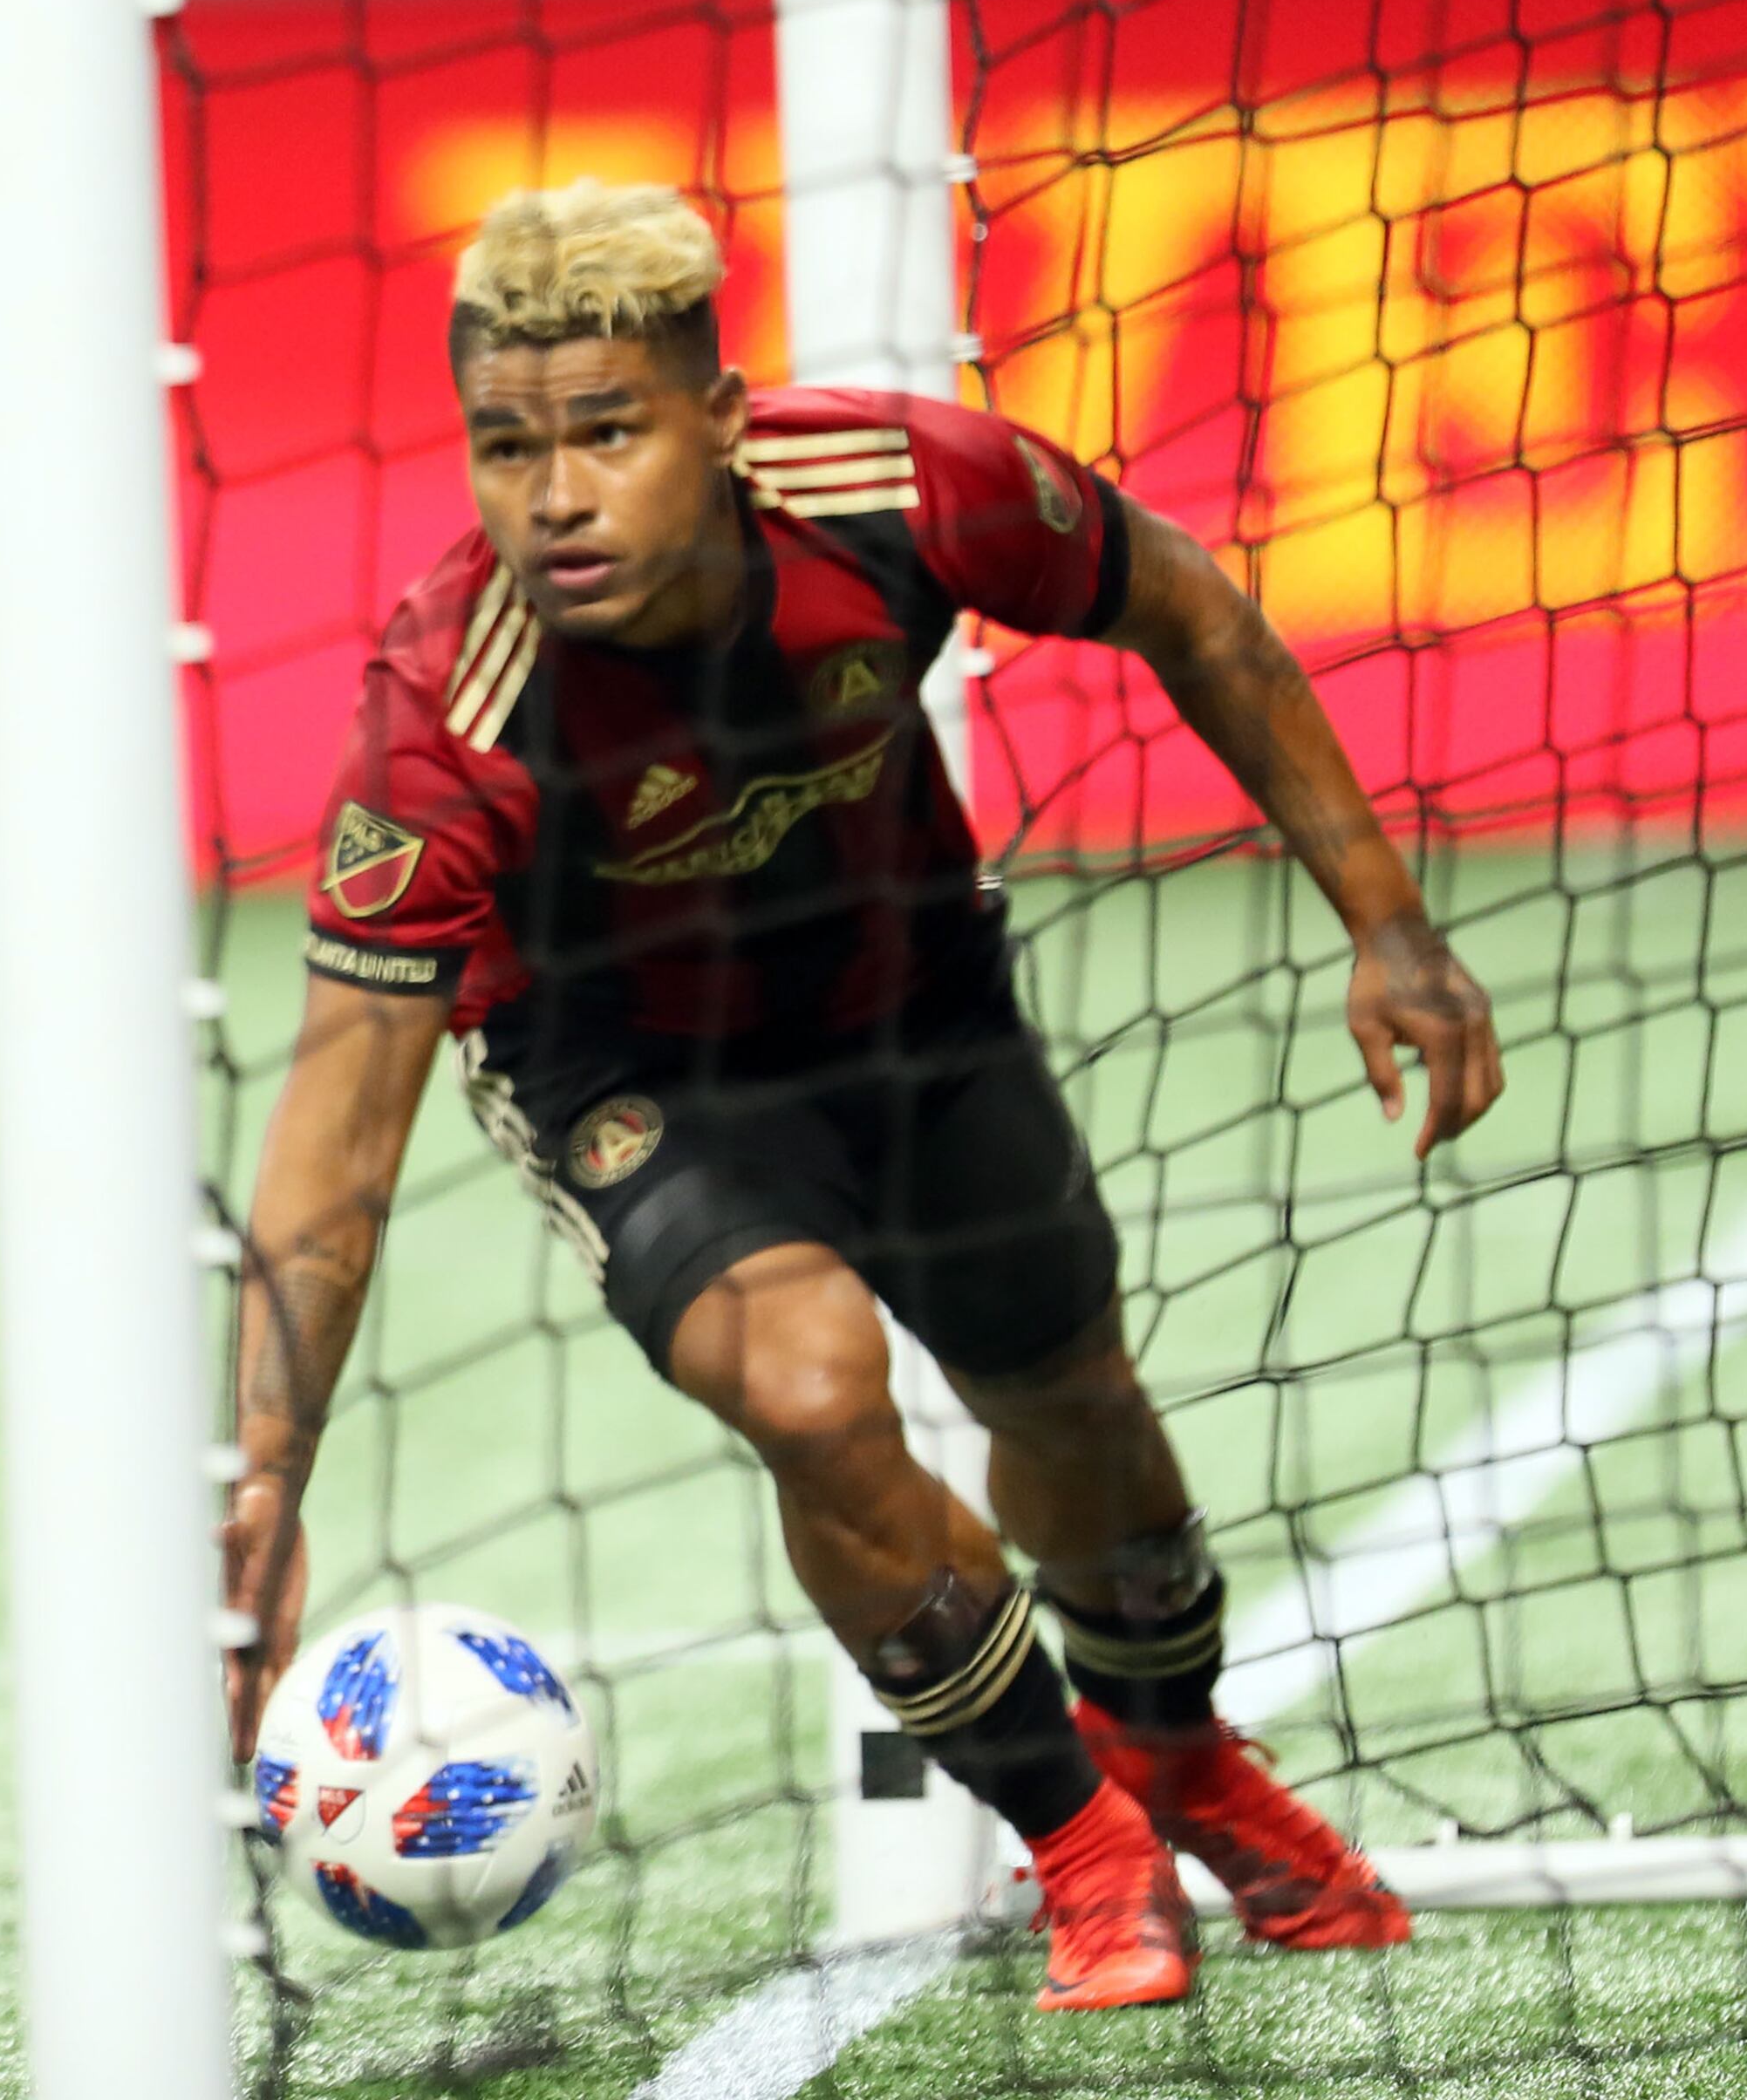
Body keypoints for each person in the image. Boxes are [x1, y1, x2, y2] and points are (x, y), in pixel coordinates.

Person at [221, 180, 1504, 2010]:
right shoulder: (443, 722)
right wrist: (266, 1478)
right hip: (632, 1073)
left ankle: (1187, 1759)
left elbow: (1191, 607)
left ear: (724, 422)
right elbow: (337, 1139)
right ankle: (1079, 1835)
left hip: (911, 995)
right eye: (506, 445)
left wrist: (1387, 923)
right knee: (812, 1386)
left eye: (607, 430)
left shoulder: (907, 491)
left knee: (1067, 1388)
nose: (556, 493)